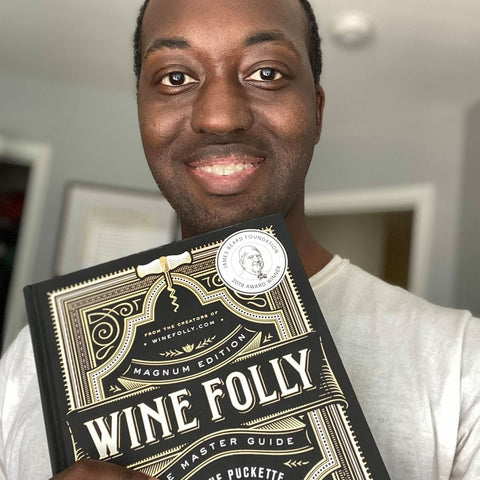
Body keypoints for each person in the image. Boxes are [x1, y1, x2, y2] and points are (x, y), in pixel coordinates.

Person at [0, 0, 479, 479]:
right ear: (142, 114)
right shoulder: (33, 361)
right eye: (175, 77)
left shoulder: (460, 364)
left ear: (316, 112)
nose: (219, 117)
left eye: (266, 73)